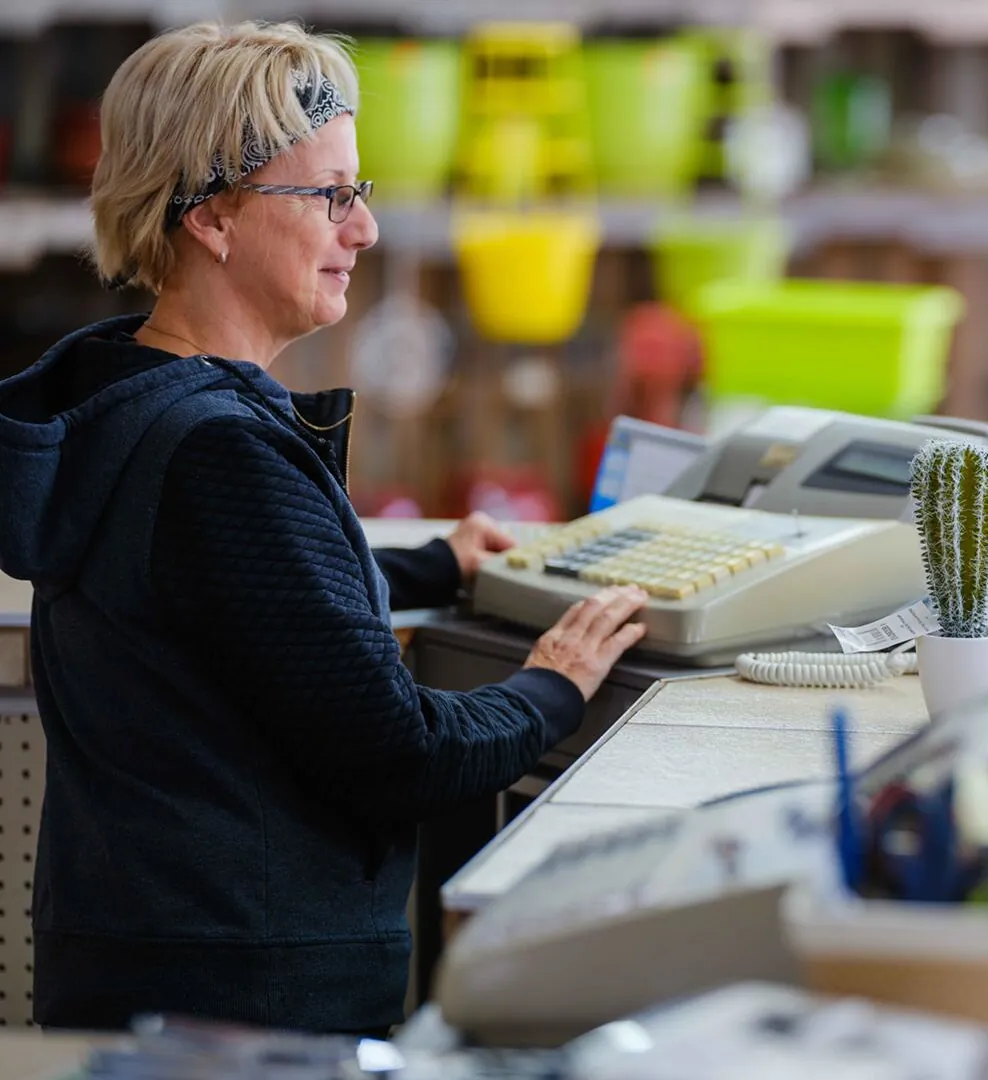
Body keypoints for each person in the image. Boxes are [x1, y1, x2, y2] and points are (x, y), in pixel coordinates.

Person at [0, 21, 650, 1034]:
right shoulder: (220, 453)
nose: (365, 231)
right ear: (211, 216)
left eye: (363, 194)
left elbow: (221, 604)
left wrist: (426, 565)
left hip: (145, 973)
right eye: (330, 196)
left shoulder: (123, 396)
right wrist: (553, 684)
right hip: (246, 1003)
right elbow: (402, 756)